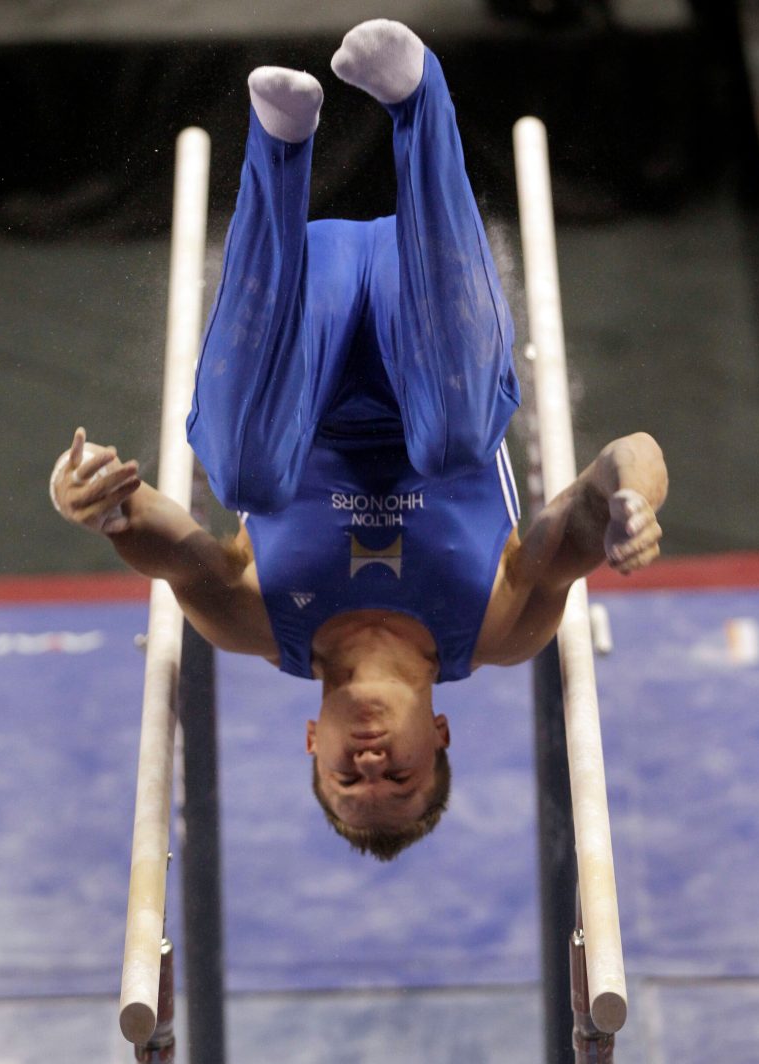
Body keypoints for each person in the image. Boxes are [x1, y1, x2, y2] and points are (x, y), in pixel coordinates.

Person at [49, 21, 668, 861]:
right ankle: (417, 101)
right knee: (452, 439)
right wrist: (636, 502)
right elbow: (621, 461)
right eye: (399, 780)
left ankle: (278, 144)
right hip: (429, 327)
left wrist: (86, 497)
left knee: (242, 473)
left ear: (313, 744)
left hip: (308, 324)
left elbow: (155, 536)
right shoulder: (499, 624)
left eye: (350, 783)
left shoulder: (249, 620)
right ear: (439, 734)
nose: (372, 766)